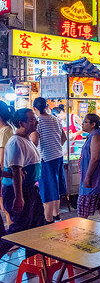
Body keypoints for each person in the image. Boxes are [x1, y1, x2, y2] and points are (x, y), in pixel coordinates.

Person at [0, 109, 44, 258]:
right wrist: (19, 197)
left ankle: (32, 262)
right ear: (21, 123)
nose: (36, 122)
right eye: (32, 120)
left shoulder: (27, 139)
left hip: (30, 189)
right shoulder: (16, 142)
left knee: (35, 226)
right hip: (18, 191)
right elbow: (17, 171)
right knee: (20, 228)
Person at [31, 97, 67, 224]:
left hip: (46, 158)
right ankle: (56, 215)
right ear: (46, 107)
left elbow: (34, 142)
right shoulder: (55, 119)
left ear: (35, 108)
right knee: (55, 188)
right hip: (58, 156)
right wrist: (56, 146)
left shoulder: (37, 121)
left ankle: (48, 220)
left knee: (46, 190)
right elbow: (64, 137)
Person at [78, 114, 100, 224]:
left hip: (94, 177)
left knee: (84, 204)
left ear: (93, 124)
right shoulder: (92, 136)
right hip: (96, 178)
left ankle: (81, 229)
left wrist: (87, 177)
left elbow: (95, 158)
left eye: (85, 122)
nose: (83, 124)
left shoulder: (96, 137)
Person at [0, 101, 14, 229]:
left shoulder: (5, 131)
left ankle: (12, 234)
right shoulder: (6, 129)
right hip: (5, 174)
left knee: (6, 207)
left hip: (4, 175)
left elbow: (2, 157)